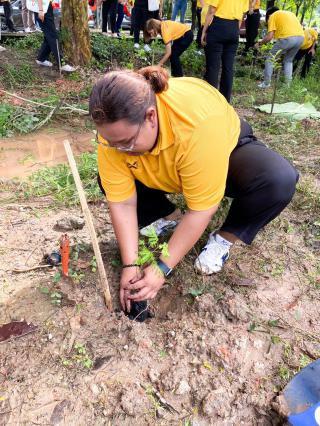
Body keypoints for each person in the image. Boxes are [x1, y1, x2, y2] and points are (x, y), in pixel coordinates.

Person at [89, 66, 298, 313]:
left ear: (151, 116)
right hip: (167, 167)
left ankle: (224, 238)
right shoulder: (115, 137)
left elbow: (200, 210)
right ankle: (168, 217)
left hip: (223, 152)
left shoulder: (198, 127)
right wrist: (130, 265)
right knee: (107, 179)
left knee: (278, 180)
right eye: (111, 144)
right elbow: (122, 203)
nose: (118, 150)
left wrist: (162, 268)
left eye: (126, 142)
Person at [201, 0, 249, 103]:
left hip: (218, 26)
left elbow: (211, 11)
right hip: (234, 28)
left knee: (213, 66)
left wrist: (204, 31)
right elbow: (242, 14)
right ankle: (225, 101)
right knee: (228, 67)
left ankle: (212, 100)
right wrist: (235, 31)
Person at [255, 7, 304, 89]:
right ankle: (287, 85)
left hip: (287, 38)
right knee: (288, 61)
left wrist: (259, 43)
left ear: (268, 15)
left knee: (270, 58)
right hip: (301, 38)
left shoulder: (272, 16)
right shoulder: (290, 13)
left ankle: (266, 83)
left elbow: (269, 37)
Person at [36, 0, 76, 72]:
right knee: (53, 36)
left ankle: (41, 58)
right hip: (43, 9)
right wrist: (40, 10)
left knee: (49, 36)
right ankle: (62, 64)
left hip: (47, 6)